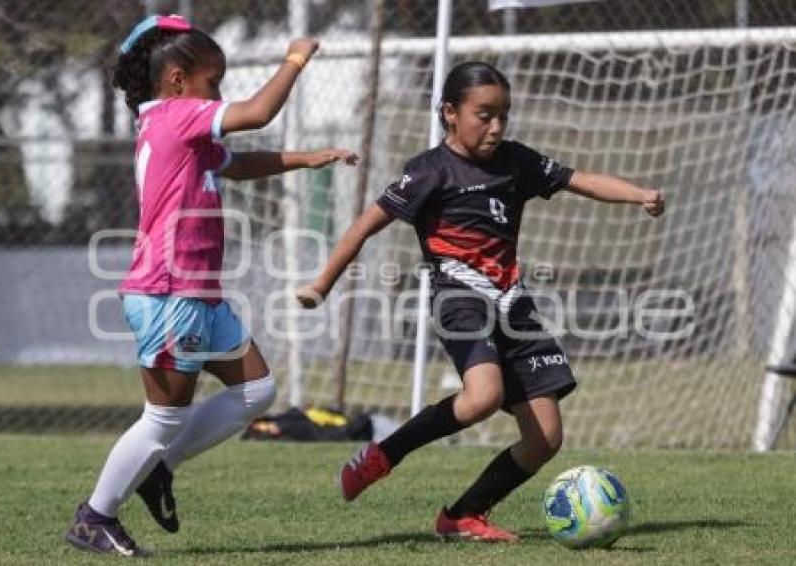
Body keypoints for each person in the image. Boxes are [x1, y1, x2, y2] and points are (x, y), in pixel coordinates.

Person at [296, 61, 664, 543]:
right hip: (460, 299)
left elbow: (582, 180)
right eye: (484, 115)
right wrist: (322, 283)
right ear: (450, 112)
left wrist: (640, 195)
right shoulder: (429, 171)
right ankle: (382, 455)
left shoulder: (515, 161)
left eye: (503, 115)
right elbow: (365, 226)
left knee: (545, 438)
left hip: (514, 305)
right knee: (483, 397)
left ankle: (464, 515)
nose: (496, 127)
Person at [65, 14, 356, 557]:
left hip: (197, 293)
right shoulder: (176, 116)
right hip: (168, 291)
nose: (218, 95)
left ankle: (159, 471)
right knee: (164, 417)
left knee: (256, 390)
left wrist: (306, 159)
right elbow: (260, 112)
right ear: (177, 80)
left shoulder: (177, 127)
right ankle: (94, 517)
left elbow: (237, 164)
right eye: (213, 82)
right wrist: (294, 58)